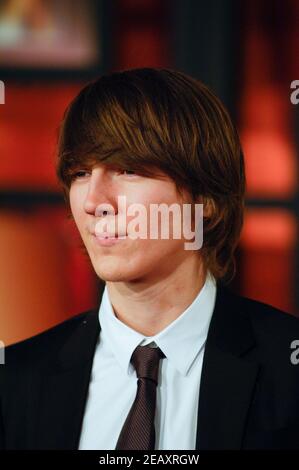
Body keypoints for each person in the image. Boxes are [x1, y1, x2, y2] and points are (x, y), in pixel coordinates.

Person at [0, 68, 299, 450]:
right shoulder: (15, 382)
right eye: (79, 173)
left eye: (127, 170)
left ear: (204, 199)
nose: (93, 202)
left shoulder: (287, 372)